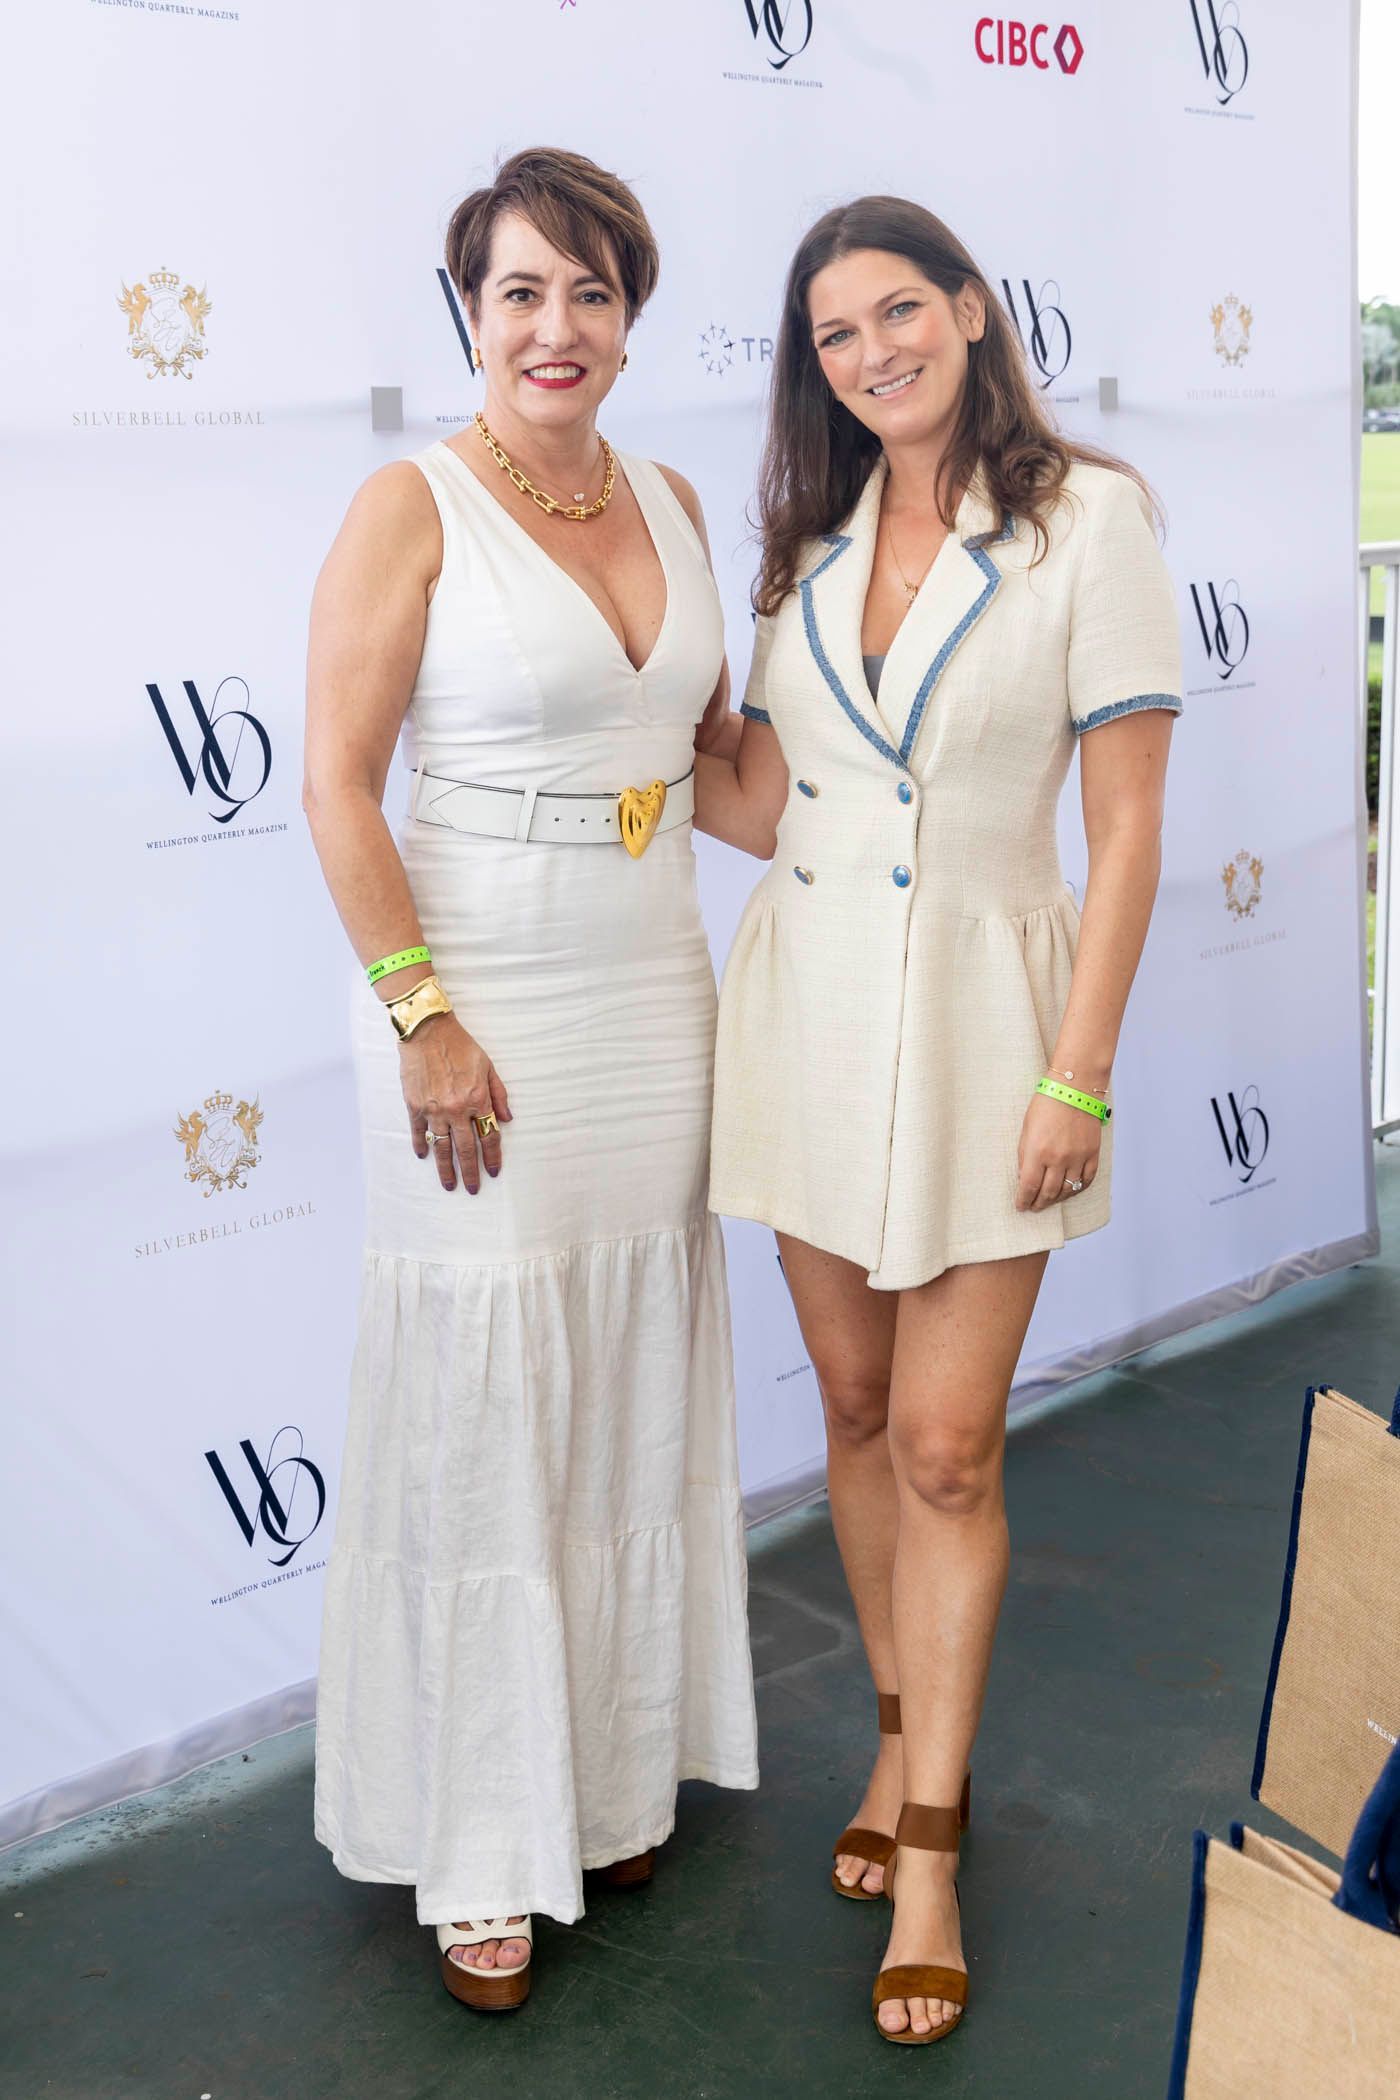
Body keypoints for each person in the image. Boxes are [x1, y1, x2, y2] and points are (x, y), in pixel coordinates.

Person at [695, 195, 1180, 2045]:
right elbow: (770, 808)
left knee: (951, 1448)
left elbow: (1126, 832)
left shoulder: (1090, 521)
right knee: (854, 1410)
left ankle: (934, 1855)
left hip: (993, 1026)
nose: (872, 352)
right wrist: (613, 707)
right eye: (835, 333)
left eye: (900, 310)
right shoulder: (802, 547)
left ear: (972, 312)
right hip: (806, 1011)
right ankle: (897, 1739)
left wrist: (1079, 1070)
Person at [303, 146, 758, 2014]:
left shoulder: (675, 499)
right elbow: (336, 785)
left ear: (632, 318)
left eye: (590, 290)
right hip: (474, 994)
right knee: (489, 1401)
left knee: (630, 1377)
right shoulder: (408, 505)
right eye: (519, 291)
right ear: (470, 316)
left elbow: (719, 767)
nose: (554, 325)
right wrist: (421, 1012)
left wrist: (921, 764)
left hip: (652, 980)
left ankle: (613, 1775)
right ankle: (481, 1842)